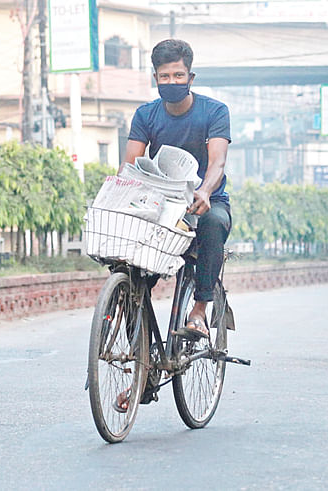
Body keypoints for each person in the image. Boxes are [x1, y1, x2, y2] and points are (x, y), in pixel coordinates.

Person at [122, 39, 231, 340]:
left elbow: (217, 162)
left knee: (213, 222)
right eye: (165, 76)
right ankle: (139, 361)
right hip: (161, 203)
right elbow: (130, 166)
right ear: (155, 79)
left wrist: (206, 191)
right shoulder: (146, 115)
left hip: (206, 201)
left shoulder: (215, 111)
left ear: (190, 78)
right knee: (129, 272)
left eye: (178, 76)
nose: (172, 82)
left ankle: (199, 309)